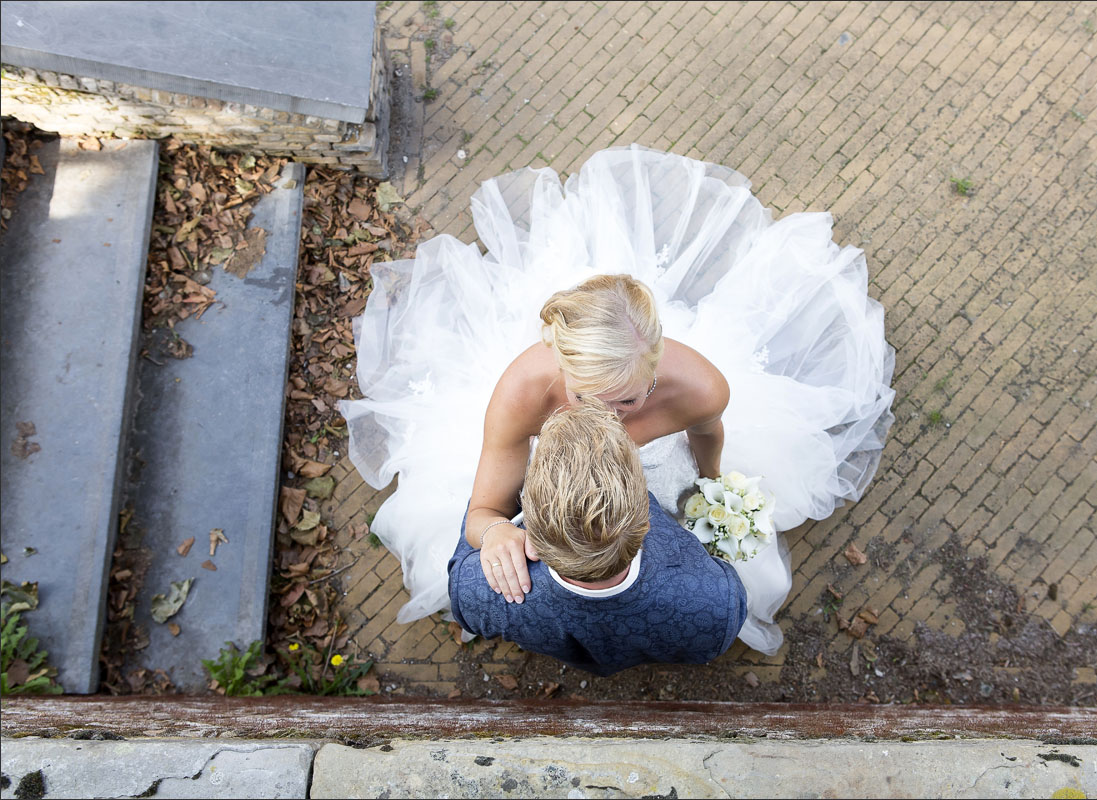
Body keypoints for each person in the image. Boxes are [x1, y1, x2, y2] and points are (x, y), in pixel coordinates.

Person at [341, 144, 895, 655]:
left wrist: (712, 483)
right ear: (562, 367)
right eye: (586, 398)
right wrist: (500, 532)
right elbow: (483, 511)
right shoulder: (522, 393)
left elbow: (708, 434)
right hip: (559, 494)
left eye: (627, 401)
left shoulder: (703, 388)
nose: (604, 419)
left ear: (654, 369)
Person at [447, 399, 747, 676]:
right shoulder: (717, 603)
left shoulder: (475, 590)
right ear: (645, 521)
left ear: (533, 530)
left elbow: (468, 545)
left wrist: (492, 528)